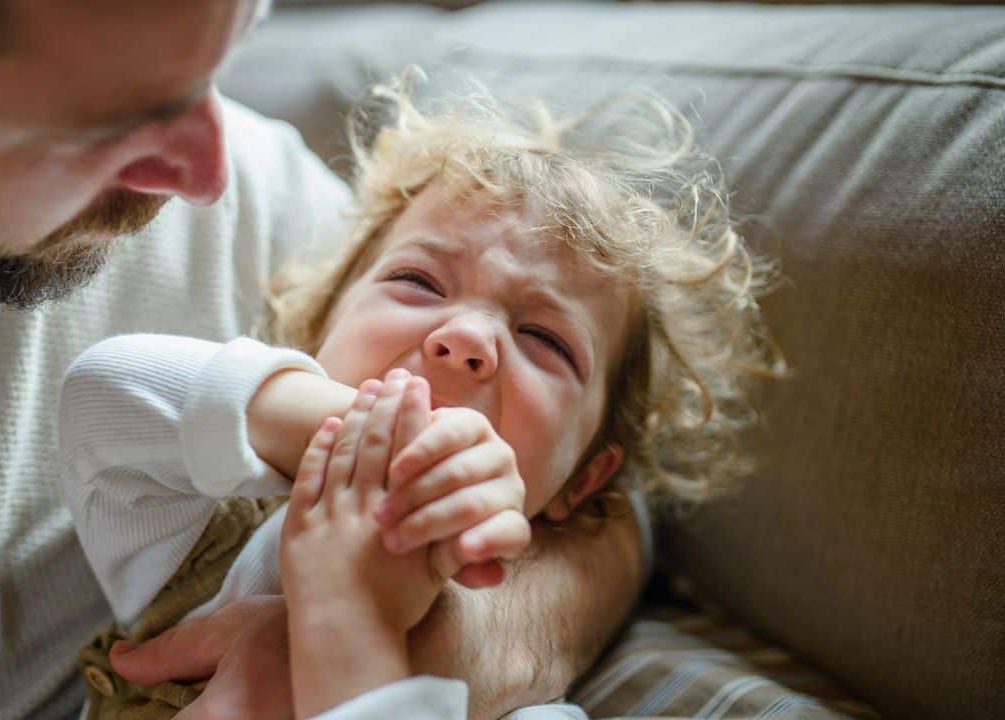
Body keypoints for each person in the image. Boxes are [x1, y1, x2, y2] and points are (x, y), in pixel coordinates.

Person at [0, 3, 648, 719]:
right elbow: (110, 394)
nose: (208, 176)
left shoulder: (277, 209)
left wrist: (399, 640)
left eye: (227, 52)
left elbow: (629, 495)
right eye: (92, 119)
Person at [59, 77, 781, 719]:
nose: (467, 337)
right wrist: (341, 429)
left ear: (584, 480)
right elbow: (105, 395)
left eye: (546, 340)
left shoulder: (522, 702)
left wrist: (354, 625)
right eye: (420, 283)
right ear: (314, 333)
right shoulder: (202, 528)